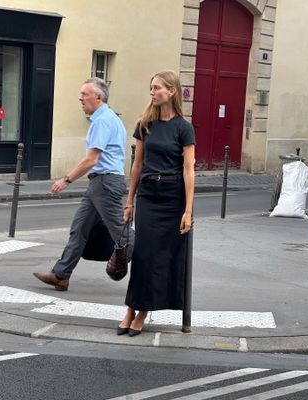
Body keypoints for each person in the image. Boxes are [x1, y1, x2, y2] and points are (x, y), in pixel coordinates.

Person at [33, 77, 134, 291]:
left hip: (106, 183)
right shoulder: (108, 117)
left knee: (121, 234)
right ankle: (61, 275)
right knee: (79, 230)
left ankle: (151, 263)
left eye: (84, 94)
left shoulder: (102, 120)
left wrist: (65, 179)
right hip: (100, 183)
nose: (80, 98)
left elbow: (91, 159)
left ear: (98, 97)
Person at [117, 70, 195, 337]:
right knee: (143, 254)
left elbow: (188, 169)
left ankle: (143, 310)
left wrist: (188, 210)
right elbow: (137, 164)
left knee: (162, 257)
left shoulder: (184, 127)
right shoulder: (145, 124)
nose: (152, 92)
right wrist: (129, 202)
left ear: (171, 91)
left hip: (173, 197)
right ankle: (130, 307)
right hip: (148, 194)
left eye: (157, 87)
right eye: (151, 87)